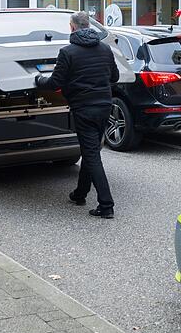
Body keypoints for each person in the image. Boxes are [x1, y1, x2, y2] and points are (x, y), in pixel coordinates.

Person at [36, 11, 119, 218]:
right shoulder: (105, 48)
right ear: (88, 25)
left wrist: (39, 80)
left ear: (72, 27)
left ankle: (106, 205)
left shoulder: (68, 52)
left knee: (92, 155)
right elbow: (115, 77)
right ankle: (80, 193)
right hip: (104, 106)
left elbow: (55, 83)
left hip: (84, 109)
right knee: (91, 151)